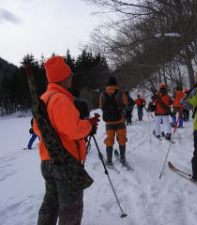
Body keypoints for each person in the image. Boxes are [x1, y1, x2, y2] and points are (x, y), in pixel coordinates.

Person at [33, 56, 100, 225]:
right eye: (69, 75)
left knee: (51, 204)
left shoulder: (44, 98)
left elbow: (36, 128)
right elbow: (74, 130)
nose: (71, 77)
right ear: (62, 78)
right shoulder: (61, 100)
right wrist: (89, 125)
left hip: (47, 161)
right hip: (65, 163)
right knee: (71, 210)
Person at [99, 76, 128, 165]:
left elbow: (101, 106)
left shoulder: (103, 94)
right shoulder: (121, 93)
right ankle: (122, 158)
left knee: (109, 140)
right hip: (120, 120)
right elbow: (126, 104)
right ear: (116, 84)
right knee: (122, 139)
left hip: (109, 122)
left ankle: (109, 160)